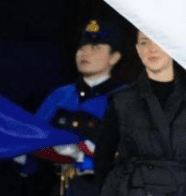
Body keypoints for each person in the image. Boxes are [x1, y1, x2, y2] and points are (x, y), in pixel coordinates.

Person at [95, 30, 186, 196]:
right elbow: (102, 158)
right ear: (137, 49)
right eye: (144, 42)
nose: (151, 48)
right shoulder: (122, 100)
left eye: (159, 41)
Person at [32, 19, 124, 196]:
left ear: (114, 57)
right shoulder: (60, 95)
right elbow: (33, 138)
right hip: (55, 187)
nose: (85, 53)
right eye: (82, 47)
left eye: (95, 48)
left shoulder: (124, 99)